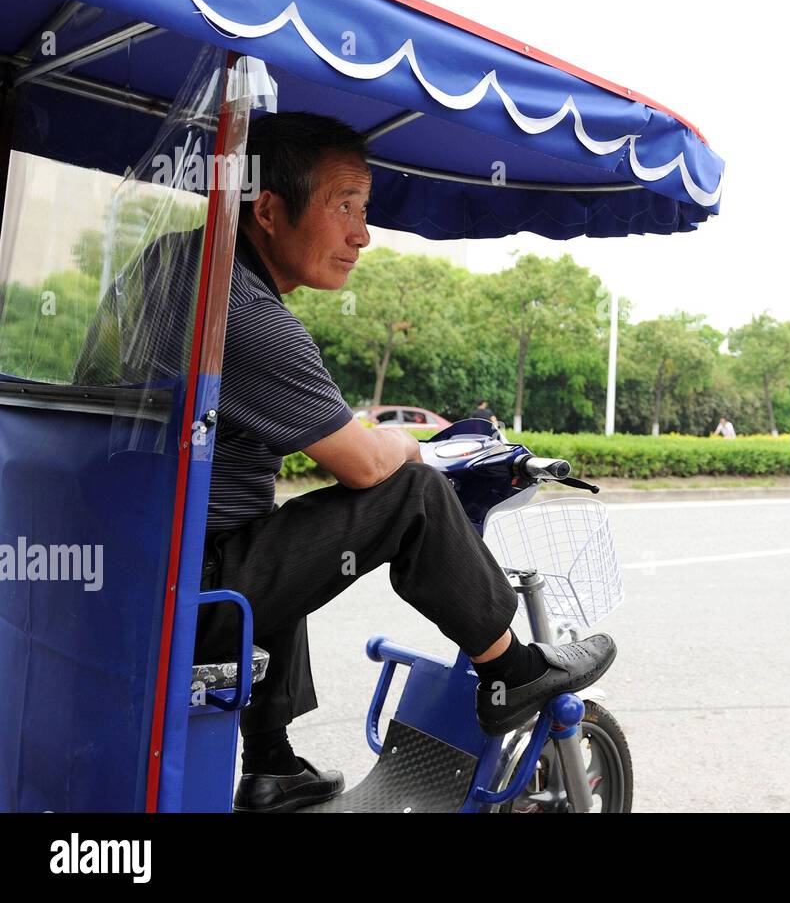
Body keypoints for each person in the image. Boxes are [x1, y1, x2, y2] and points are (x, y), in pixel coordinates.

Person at [83, 112, 616, 812]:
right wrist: (420, 448)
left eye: (364, 212)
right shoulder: (239, 313)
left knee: (275, 531)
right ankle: (507, 670)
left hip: (126, 567)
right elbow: (367, 467)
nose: (361, 236)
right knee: (412, 493)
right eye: (345, 209)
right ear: (268, 210)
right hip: (185, 593)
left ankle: (272, 761)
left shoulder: (176, 263)